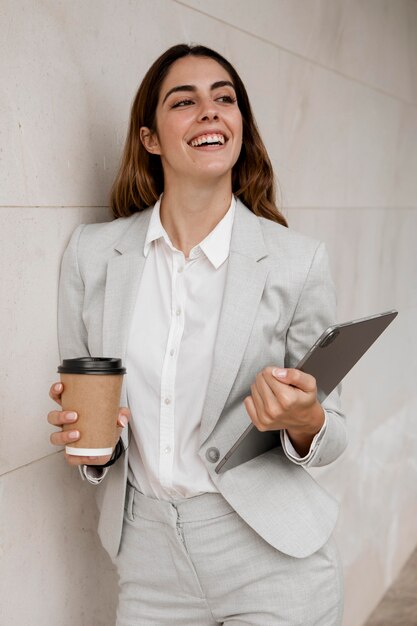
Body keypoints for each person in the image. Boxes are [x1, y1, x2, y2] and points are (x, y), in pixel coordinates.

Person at [48, 43, 347, 625]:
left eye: (224, 99)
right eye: (184, 102)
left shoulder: (297, 262)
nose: (210, 111)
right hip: (148, 558)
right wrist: (90, 439)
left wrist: (305, 419)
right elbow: (93, 415)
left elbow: (334, 432)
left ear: (240, 127)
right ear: (150, 139)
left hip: (271, 559)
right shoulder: (92, 255)